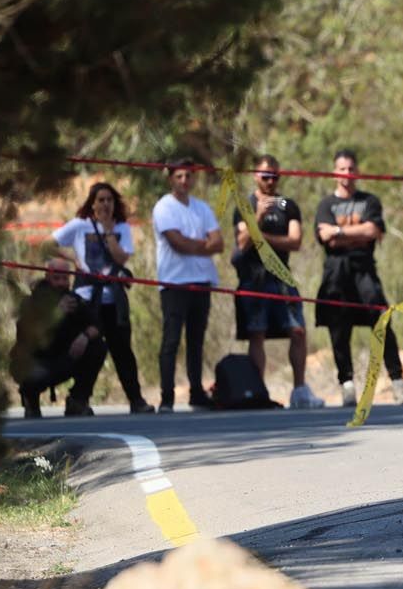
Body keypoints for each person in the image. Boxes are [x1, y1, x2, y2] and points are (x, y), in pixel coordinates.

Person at [314, 149, 403, 406]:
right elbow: (324, 237)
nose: (347, 174)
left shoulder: (370, 201)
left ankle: (397, 381)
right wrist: (352, 234)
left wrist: (339, 231)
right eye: (342, 169)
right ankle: (346, 384)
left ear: (357, 172)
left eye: (350, 169)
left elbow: (373, 231)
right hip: (336, 273)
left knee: (381, 320)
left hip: (365, 271)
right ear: (335, 172)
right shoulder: (326, 204)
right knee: (338, 328)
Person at [51, 181, 151, 414]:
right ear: (92, 204)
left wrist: (108, 232)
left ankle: (136, 400)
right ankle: (78, 399)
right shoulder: (79, 226)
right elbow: (48, 244)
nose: (106, 204)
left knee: (123, 350)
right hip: (86, 299)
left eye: (110, 200)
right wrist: (72, 260)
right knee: (91, 347)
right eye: (101, 200)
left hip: (113, 299)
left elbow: (121, 259)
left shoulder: (122, 228)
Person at [232, 154, 323, 409]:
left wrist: (262, 237)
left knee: (298, 330)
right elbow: (241, 243)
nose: (270, 181)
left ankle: (299, 390)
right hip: (254, 278)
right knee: (256, 333)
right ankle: (259, 390)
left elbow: (295, 241)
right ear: (255, 176)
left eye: (274, 176)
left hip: (282, 277)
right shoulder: (245, 206)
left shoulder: (288, 205)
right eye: (265, 176)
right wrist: (257, 218)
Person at [151, 154, 223, 411]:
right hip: (174, 283)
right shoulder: (163, 207)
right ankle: (167, 397)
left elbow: (219, 243)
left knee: (196, 340)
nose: (184, 180)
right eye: (179, 176)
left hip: (201, 281)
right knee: (171, 341)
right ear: (171, 178)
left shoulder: (202, 207)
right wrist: (204, 245)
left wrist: (198, 246)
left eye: (188, 175)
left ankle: (196, 392)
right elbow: (177, 243)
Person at [11, 257, 107, 419]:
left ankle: (78, 400)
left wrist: (84, 336)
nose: (62, 283)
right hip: (37, 361)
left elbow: (98, 325)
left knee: (97, 346)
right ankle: (30, 400)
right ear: (47, 278)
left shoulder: (74, 300)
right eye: (57, 278)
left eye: (65, 278)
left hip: (65, 358)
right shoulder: (32, 303)